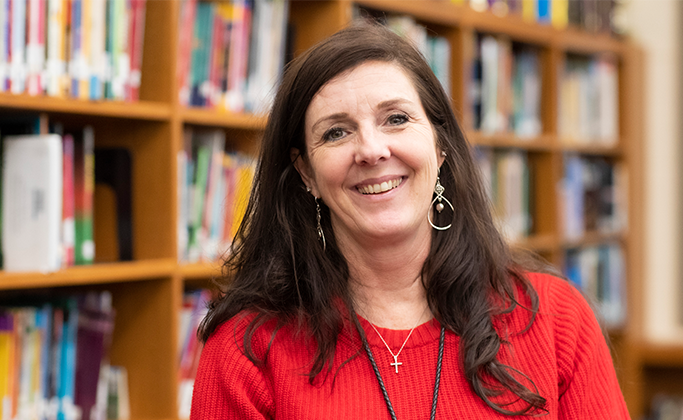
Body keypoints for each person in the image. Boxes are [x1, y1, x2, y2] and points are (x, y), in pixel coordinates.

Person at [190, 22, 629, 420]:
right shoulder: (246, 352)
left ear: (440, 148)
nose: (372, 149)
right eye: (336, 132)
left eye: (396, 119)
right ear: (307, 173)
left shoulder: (556, 321)